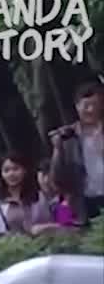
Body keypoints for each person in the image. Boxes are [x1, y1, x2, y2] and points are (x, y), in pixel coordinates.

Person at [50, 81, 104, 225]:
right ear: (77, 106)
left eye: (96, 104)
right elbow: (57, 180)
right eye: (86, 105)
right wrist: (56, 149)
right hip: (81, 204)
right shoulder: (67, 137)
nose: (91, 110)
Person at [0, 152, 38, 236]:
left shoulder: (38, 198)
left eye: (16, 169)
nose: (11, 174)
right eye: (6, 170)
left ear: (25, 171)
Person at [29, 158, 79, 234]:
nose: (45, 180)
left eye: (49, 175)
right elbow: (30, 228)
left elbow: (68, 227)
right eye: (42, 175)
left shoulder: (64, 198)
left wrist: (46, 227)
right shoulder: (32, 198)